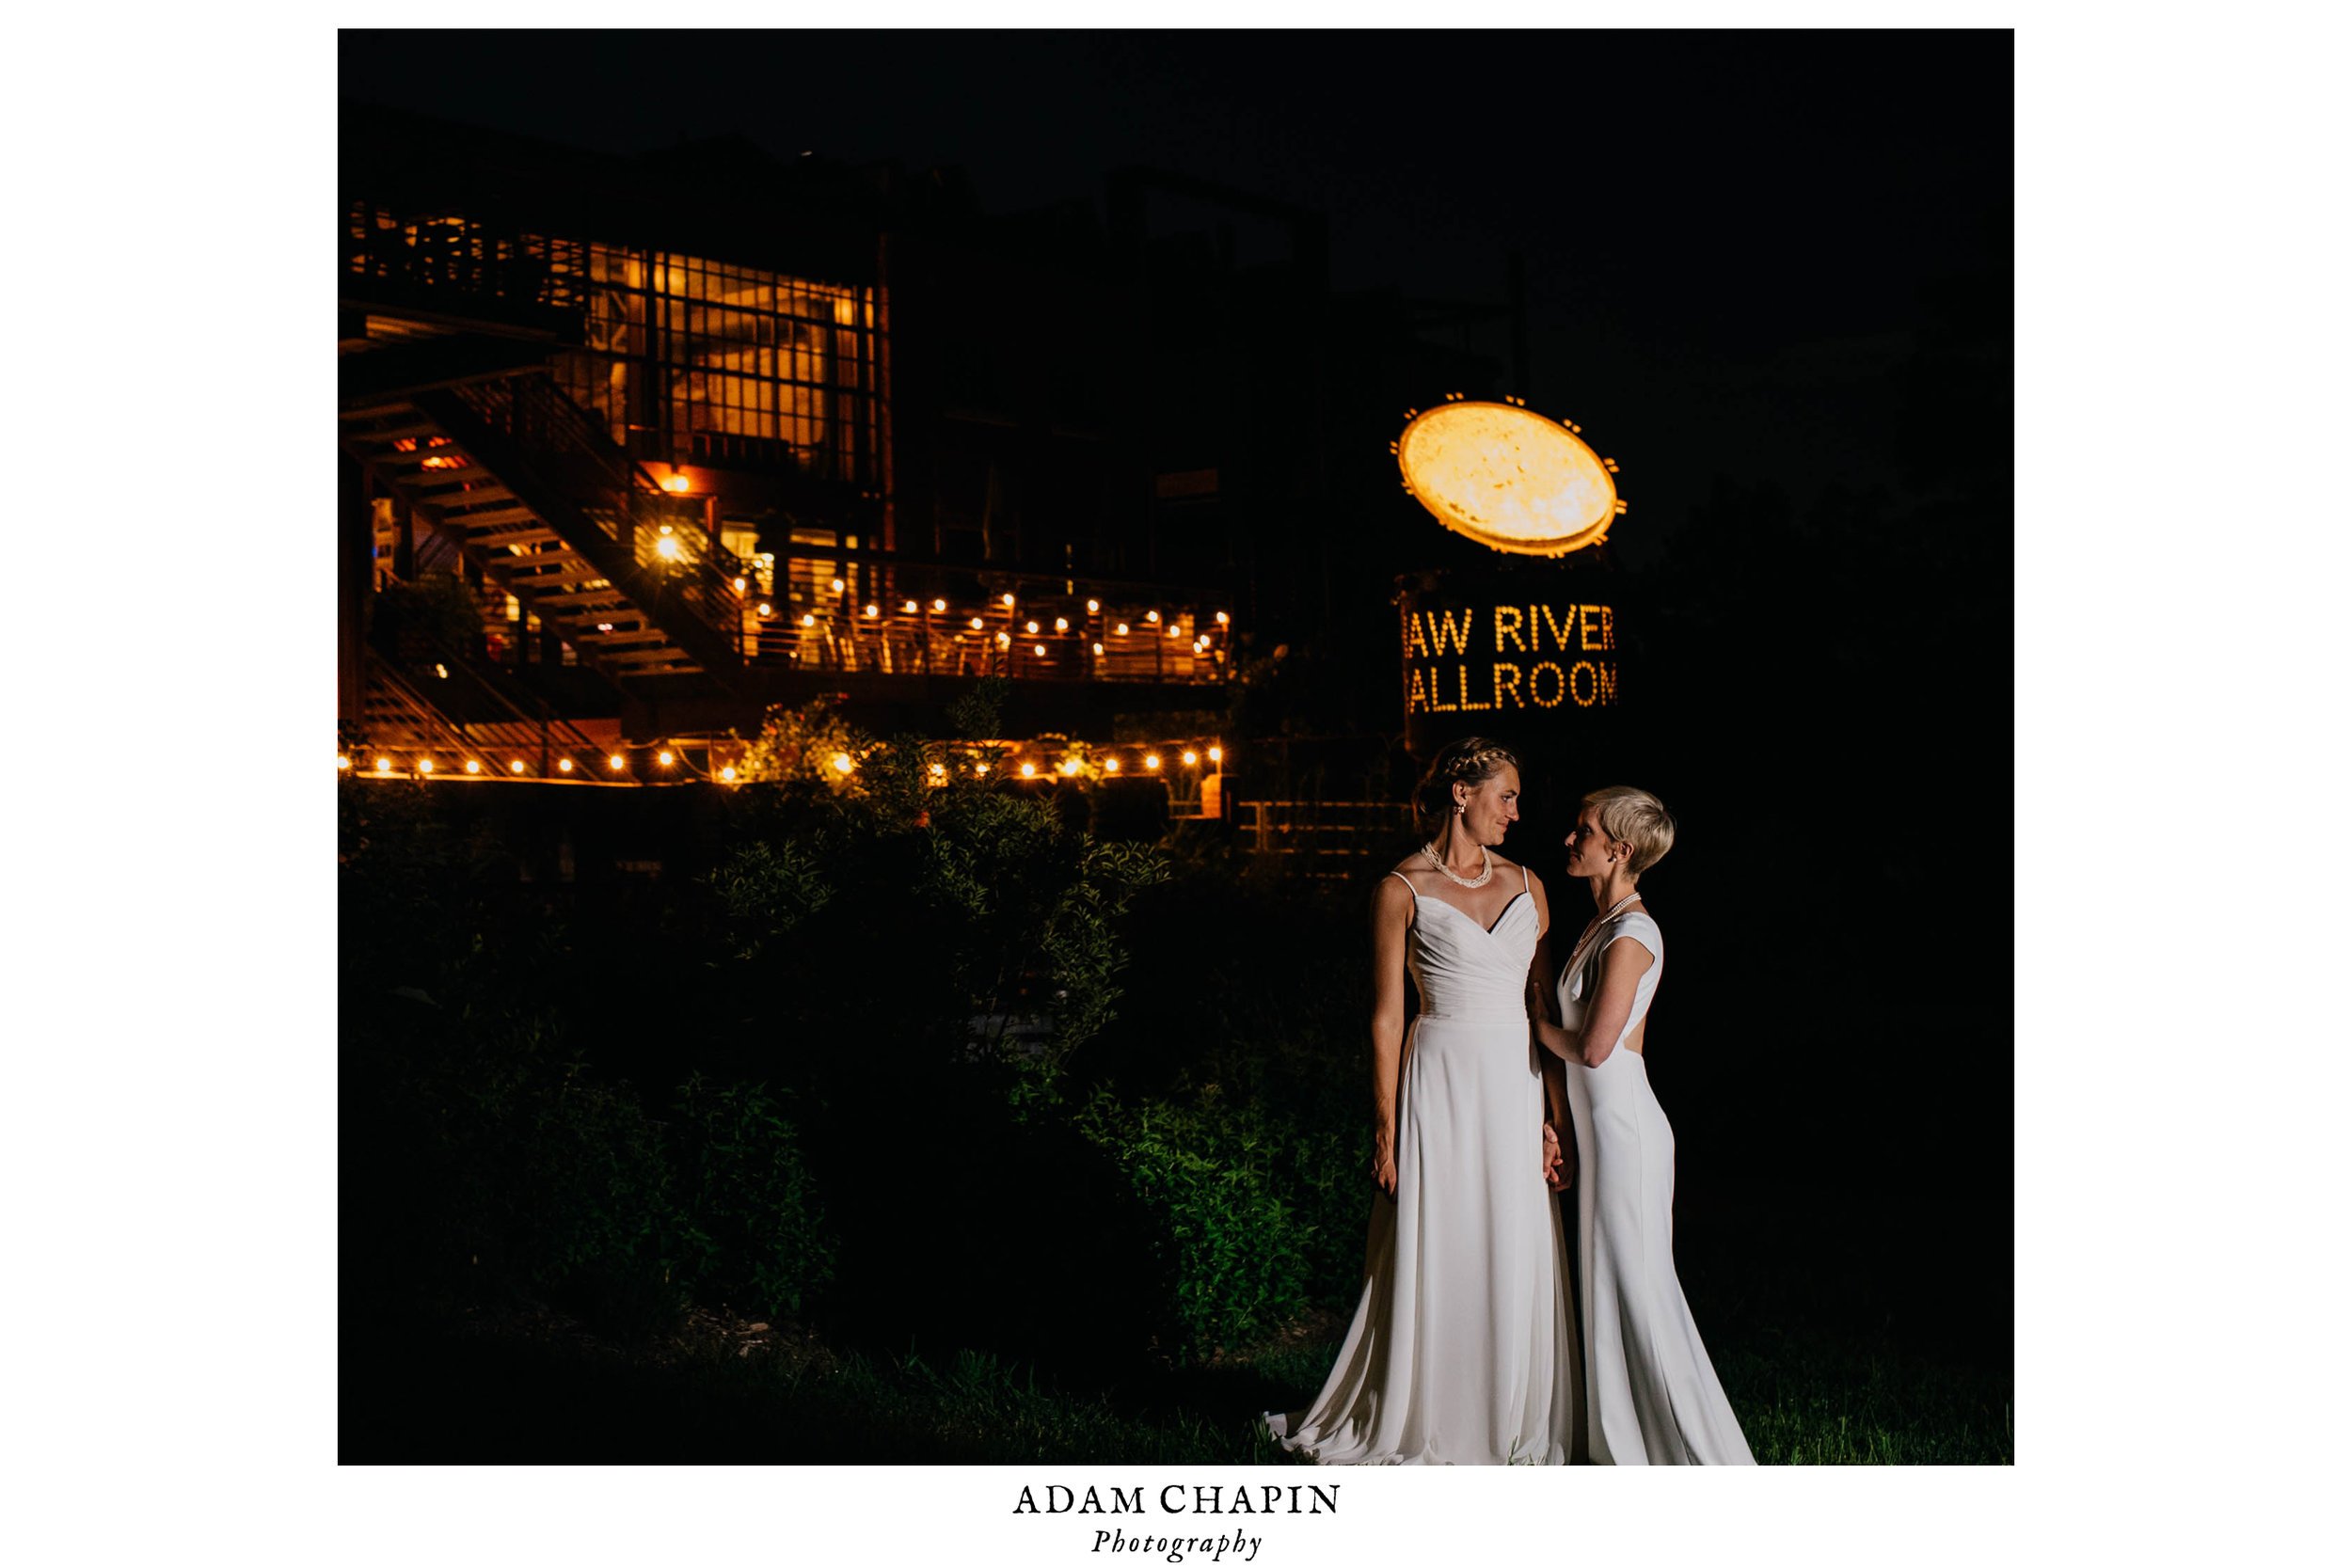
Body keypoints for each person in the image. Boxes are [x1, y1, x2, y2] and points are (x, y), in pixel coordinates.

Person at [1265, 738, 1578, 1464]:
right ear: (1462, 794)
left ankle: (1509, 1409)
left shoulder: (1530, 884)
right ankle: (1428, 1407)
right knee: (1441, 1237)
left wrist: (1555, 1119)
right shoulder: (1400, 888)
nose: (1517, 811)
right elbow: (1385, 1014)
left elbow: (1544, 1001)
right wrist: (1385, 1126)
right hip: (1437, 1078)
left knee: (1511, 1235)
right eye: (1506, 795)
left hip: (1514, 1079)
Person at [1534, 785, 1755, 1465]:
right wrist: (1561, 1125)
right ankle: (1621, 1442)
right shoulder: (1600, 925)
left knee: (1639, 1285)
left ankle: (1695, 1450)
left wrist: (1521, 1025)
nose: (1570, 839)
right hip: (1600, 1128)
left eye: (1584, 830)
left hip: (1626, 1128)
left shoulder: (1634, 933)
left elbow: (1595, 1047)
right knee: (1606, 1282)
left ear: (1619, 850)